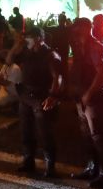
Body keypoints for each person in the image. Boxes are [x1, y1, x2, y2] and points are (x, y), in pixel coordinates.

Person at [6, 26, 63, 177]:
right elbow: (9, 61)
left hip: (42, 97)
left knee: (45, 133)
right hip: (26, 96)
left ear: (39, 38)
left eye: (29, 37)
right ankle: (28, 161)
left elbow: (58, 78)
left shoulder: (50, 54)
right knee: (26, 130)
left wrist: (52, 96)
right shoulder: (27, 52)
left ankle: (50, 166)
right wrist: (16, 46)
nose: (26, 40)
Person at [67, 17, 103, 188]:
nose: (74, 32)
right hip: (82, 98)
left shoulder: (95, 47)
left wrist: (88, 94)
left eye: (78, 29)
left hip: (95, 99)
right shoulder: (80, 48)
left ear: (87, 28)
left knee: (98, 137)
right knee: (87, 136)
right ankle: (92, 167)